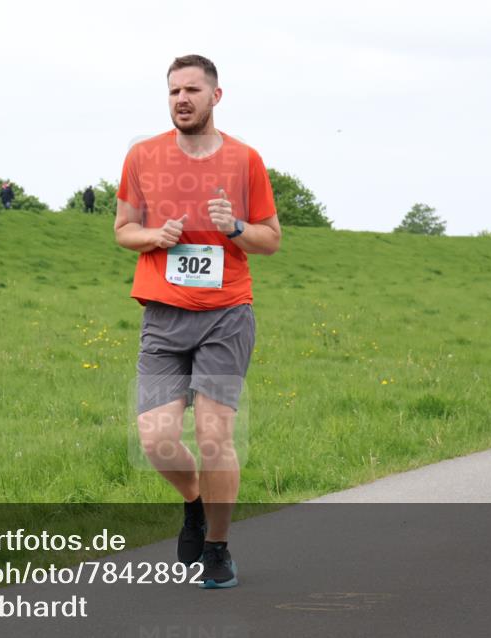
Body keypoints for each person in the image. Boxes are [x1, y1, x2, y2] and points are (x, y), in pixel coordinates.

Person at [113, 55, 281, 589]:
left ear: (216, 96)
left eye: (191, 90)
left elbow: (271, 239)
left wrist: (234, 227)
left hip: (226, 315)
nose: (181, 99)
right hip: (163, 315)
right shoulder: (143, 156)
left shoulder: (245, 160)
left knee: (214, 437)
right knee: (157, 439)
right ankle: (195, 501)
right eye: (172, 91)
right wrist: (154, 236)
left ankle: (218, 548)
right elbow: (123, 229)